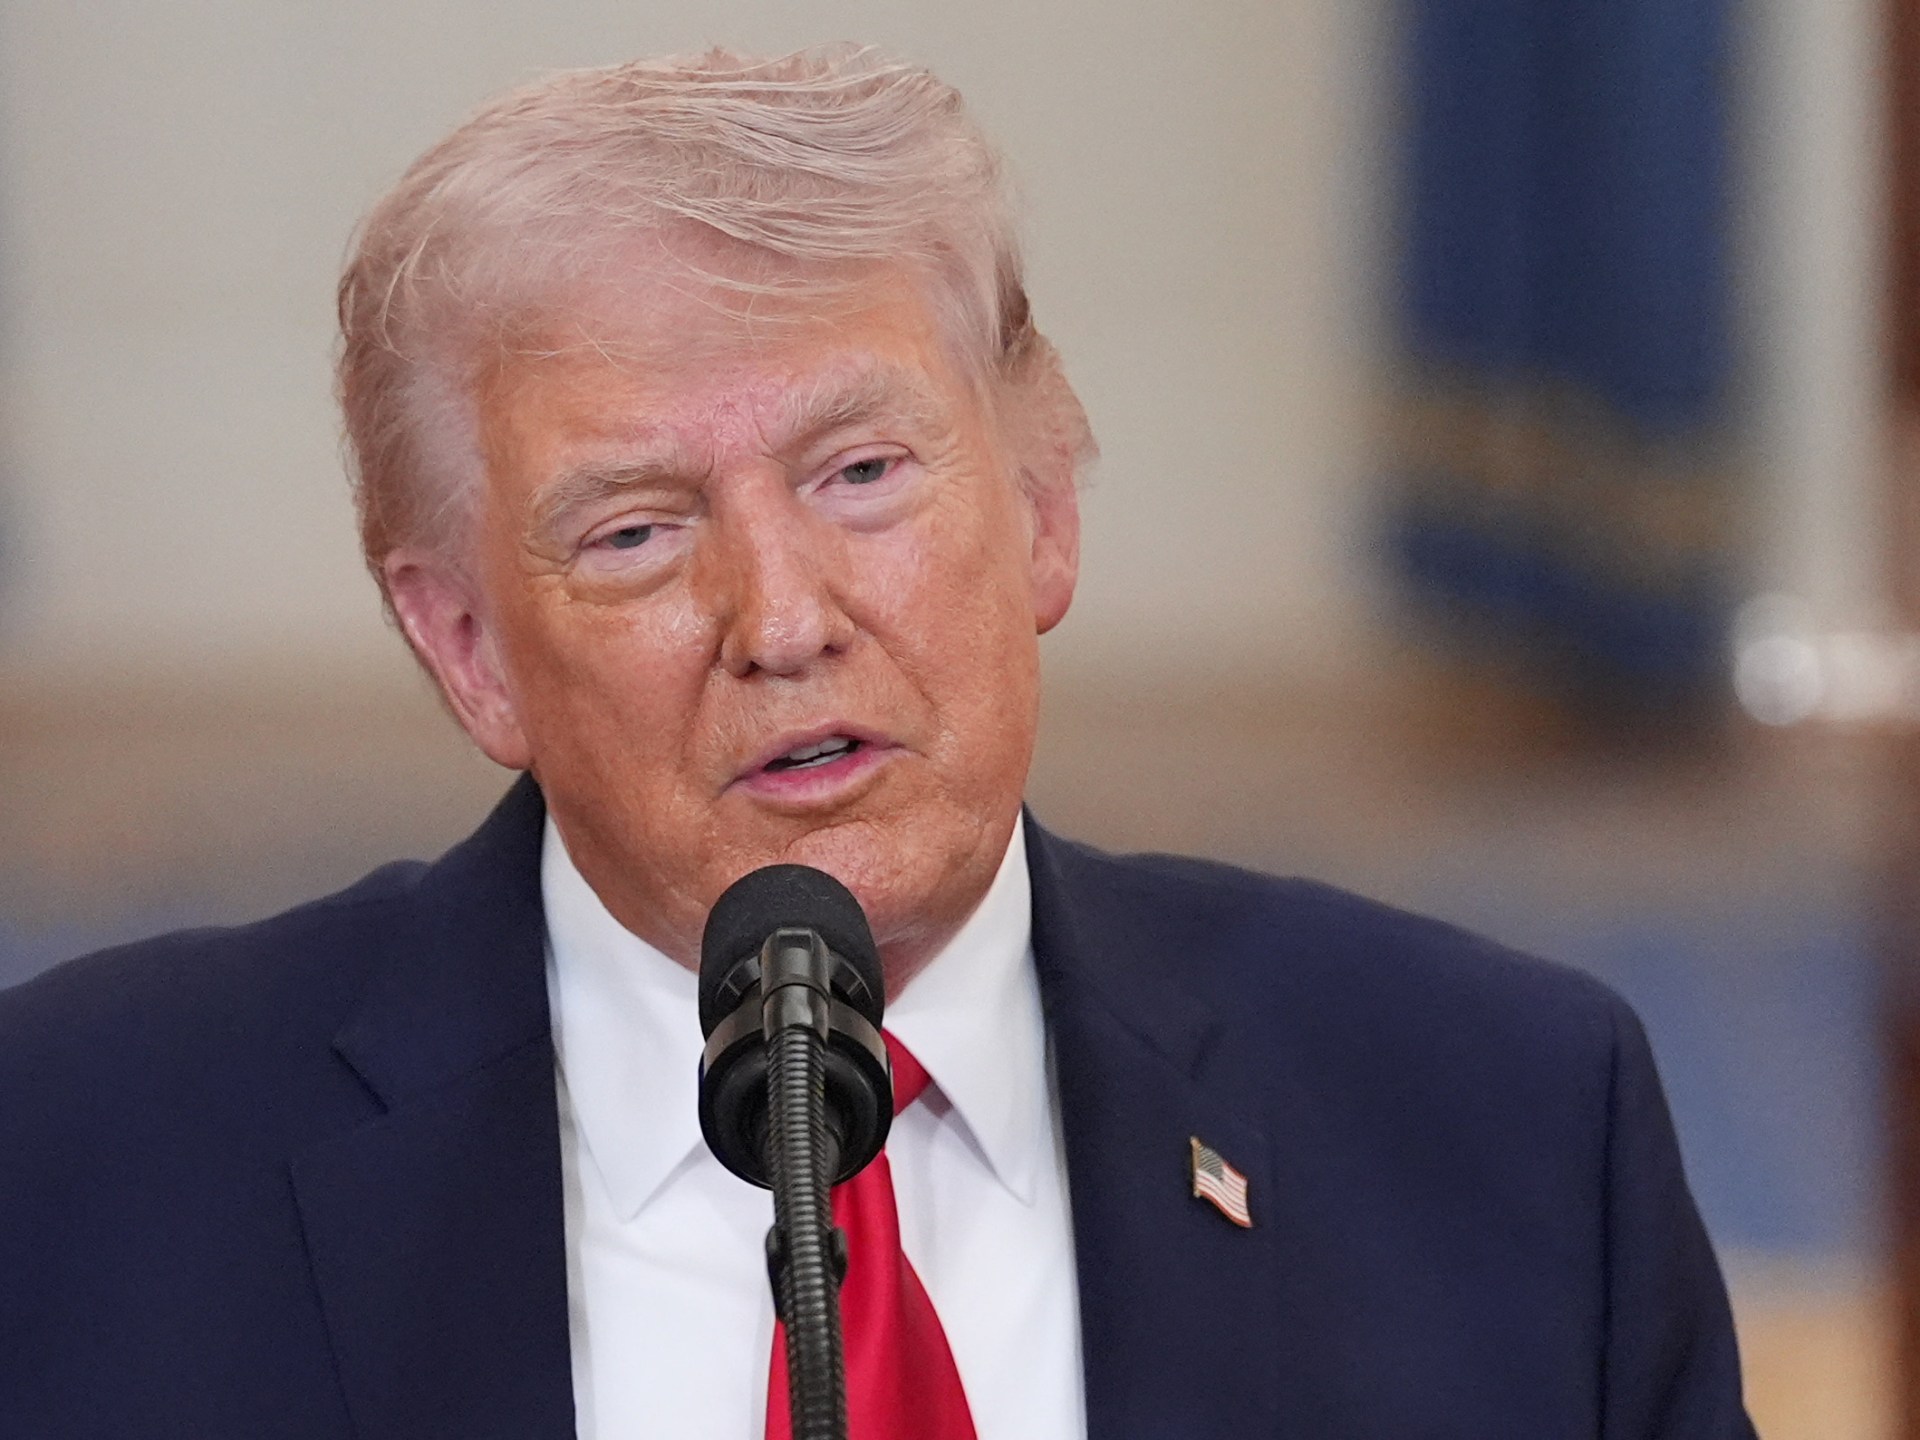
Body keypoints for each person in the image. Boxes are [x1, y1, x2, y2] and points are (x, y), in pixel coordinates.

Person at [0, 44, 1755, 1439]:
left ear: (1045, 509)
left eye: (862, 475)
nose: (781, 620)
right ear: (469, 652)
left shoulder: (1510, 1127)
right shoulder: (85, 1167)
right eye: (633, 531)